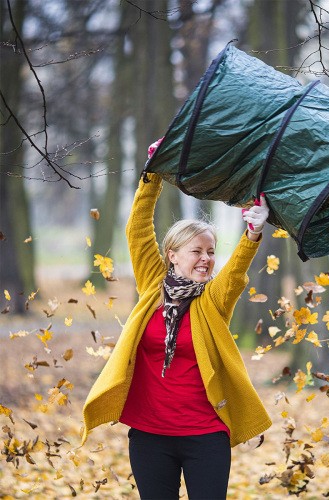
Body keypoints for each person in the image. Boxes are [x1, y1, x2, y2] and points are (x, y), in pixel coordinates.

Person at [81, 139, 272, 499]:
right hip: (149, 435)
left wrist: (253, 234)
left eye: (211, 252)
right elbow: (137, 230)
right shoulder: (153, 285)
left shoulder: (212, 300)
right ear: (172, 255)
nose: (206, 259)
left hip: (206, 435)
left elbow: (234, 274)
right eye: (196, 251)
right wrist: (151, 175)